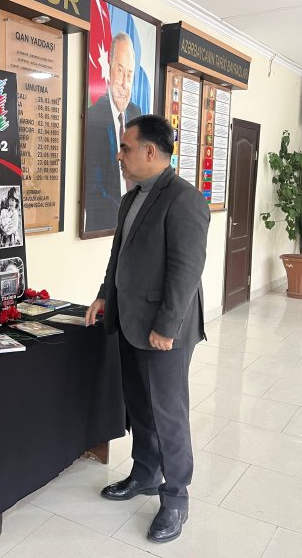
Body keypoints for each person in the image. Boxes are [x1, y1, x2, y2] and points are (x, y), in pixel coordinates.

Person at [85, 115, 210, 544]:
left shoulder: (184, 199)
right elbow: (118, 255)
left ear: (150, 151)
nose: (119, 156)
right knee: (139, 405)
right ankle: (144, 473)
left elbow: (186, 270)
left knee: (168, 413)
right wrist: (104, 294)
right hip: (129, 320)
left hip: (163, 331)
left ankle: (176, 498)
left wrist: (166, 326)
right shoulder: (131, 199)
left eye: (125, 148)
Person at [84, 32, 142, 233]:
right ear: (109, 69)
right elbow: (93, 190)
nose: (125, 83)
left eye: (130, 74)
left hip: (133, 226)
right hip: (104, 228)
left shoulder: (136, 113)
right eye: (120, 70)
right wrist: (128, 215)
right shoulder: (93, 117)